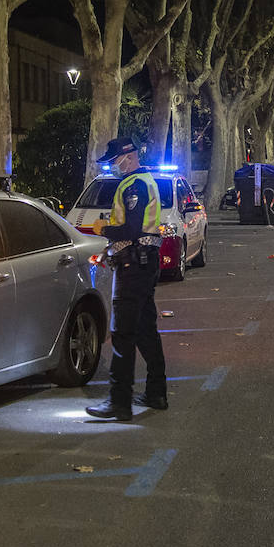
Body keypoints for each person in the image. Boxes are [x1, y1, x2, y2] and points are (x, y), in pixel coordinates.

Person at [85, 137, 167, 422]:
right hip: (143, 262)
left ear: (128, 156)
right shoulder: (143, 182)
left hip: (134, 263)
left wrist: (104, 229)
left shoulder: (135, 185)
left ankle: (119, 402)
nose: (111, 166)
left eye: (113, 160)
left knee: (122, 333)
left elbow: (131, 228)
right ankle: (157, 393)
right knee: (145, 329)